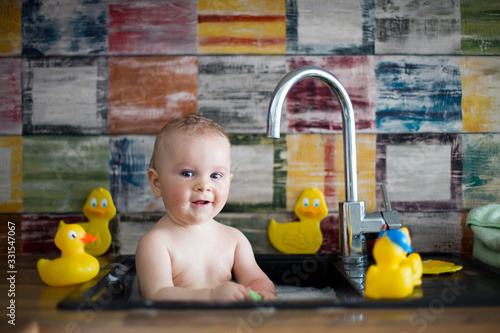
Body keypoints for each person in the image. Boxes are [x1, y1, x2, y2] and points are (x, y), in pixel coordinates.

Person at [136, 114, 276, 302]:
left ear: (228, 181)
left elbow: (256, 279)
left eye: (216, 175)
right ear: (157, 183)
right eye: (187, 173)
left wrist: (264, 293)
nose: (204, 185)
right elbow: (156, 295)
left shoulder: (234, 240)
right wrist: (210, 296)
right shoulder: (156, 244)